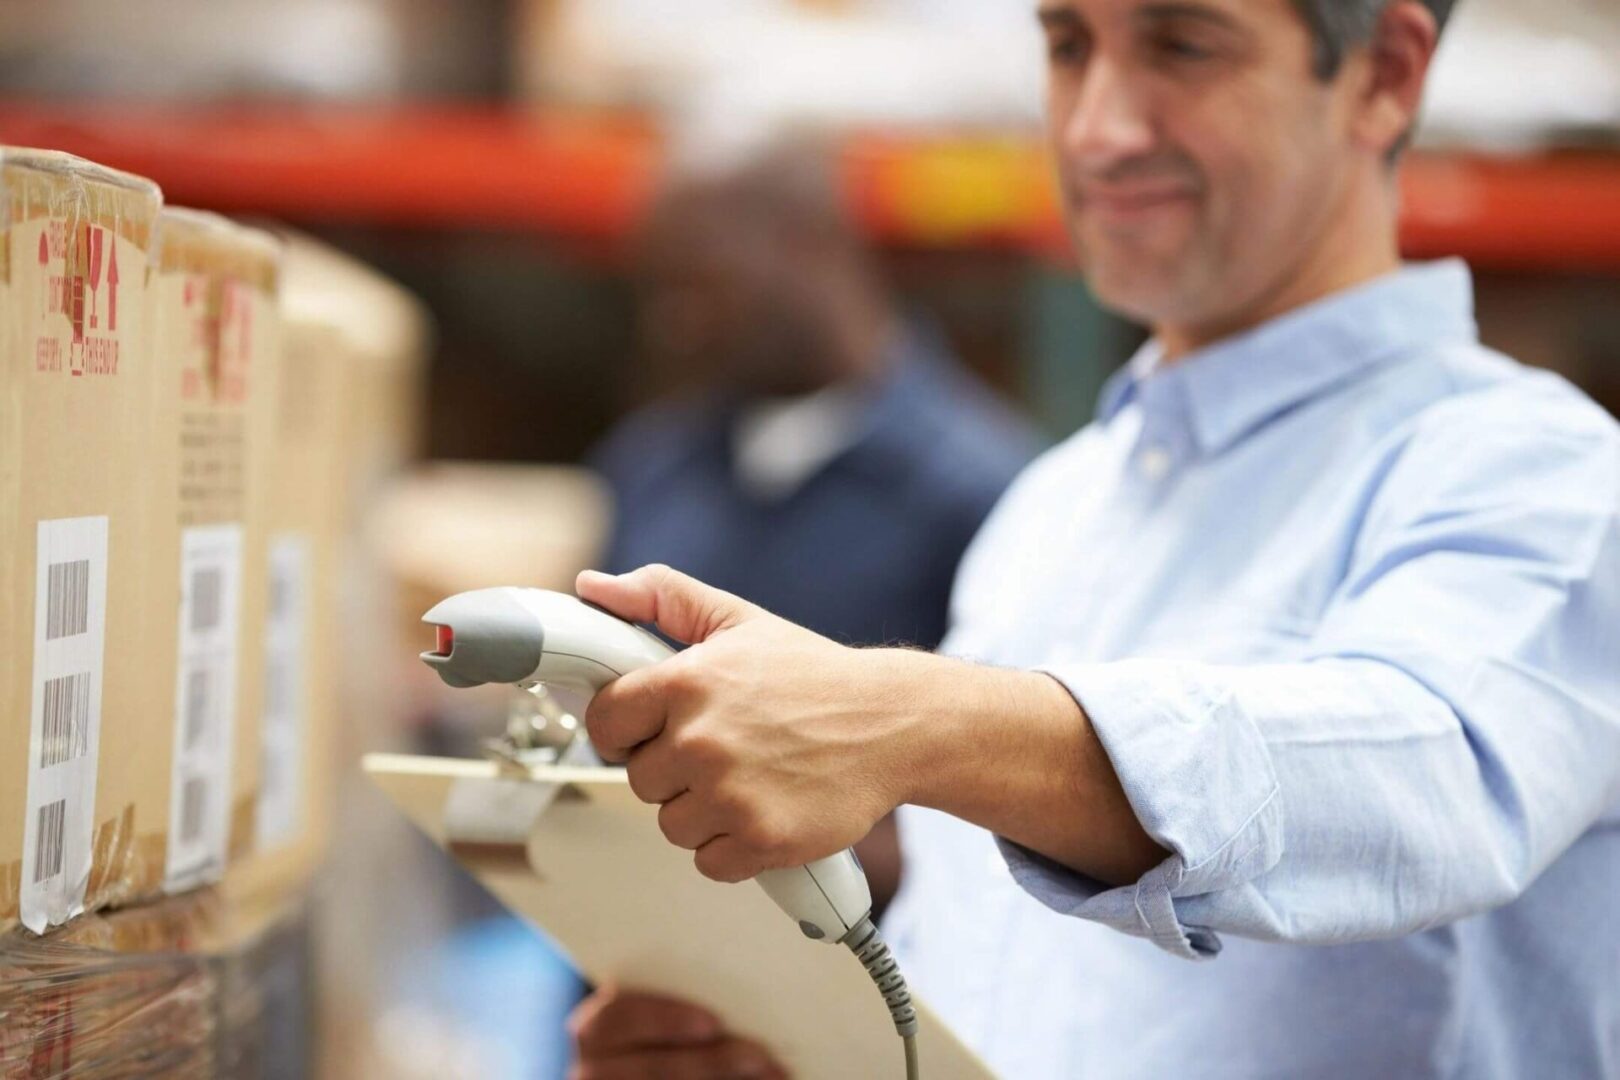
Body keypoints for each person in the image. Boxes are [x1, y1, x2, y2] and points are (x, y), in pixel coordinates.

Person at [565, 1, 1620, 1077]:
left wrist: (911, 721)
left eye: (1184, 46)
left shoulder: (1544, 479)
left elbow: (1417, 779)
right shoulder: (1050, 515)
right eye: (1070, 47)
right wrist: (791, 1055)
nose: (1097, 130)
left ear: (1385, 72)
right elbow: (1001, 998)